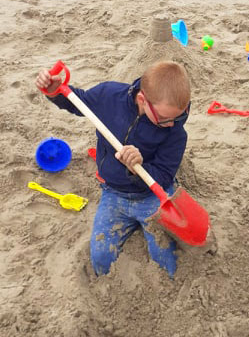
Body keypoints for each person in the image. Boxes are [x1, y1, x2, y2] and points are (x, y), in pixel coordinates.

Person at [35, 61, 191, 277]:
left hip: (151, 197)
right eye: (164, 118)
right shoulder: (109, 96)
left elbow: (164, 176)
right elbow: (78, 103)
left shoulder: (176, 133)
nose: (172, 123)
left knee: (166, 264)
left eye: (178, 116)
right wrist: (54, 91)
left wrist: (139, 167)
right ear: (142, 100)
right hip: (114, 193)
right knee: (101, 260)